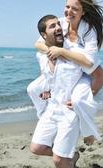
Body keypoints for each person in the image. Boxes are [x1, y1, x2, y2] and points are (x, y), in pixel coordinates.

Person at [34, 0, 103, 145]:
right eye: (67, 6)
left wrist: (62, 52)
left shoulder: (89, 31)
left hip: (86, 69)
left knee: (79, 100)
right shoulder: (62, 22)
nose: (68, 11)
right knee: (33, 88)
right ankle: (45, 115)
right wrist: (52, 51)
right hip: (73, 66)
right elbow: (38, 44)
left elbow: (88, 63)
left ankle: (88, 133)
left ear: (83, 12)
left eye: (75, 8)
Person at [29, 14, 83, 168]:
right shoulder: (41, 55)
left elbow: (94, 75)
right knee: (36, 148)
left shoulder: (72, 50)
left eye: (58, 24)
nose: (58, 27)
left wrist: (82, 98)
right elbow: (47, 78)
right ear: (43, 35)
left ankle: (67, 160)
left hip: (69, 111)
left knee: (59, 161)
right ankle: (72, 158)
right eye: (52, 26)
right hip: (51, 108)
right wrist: (46, 91)